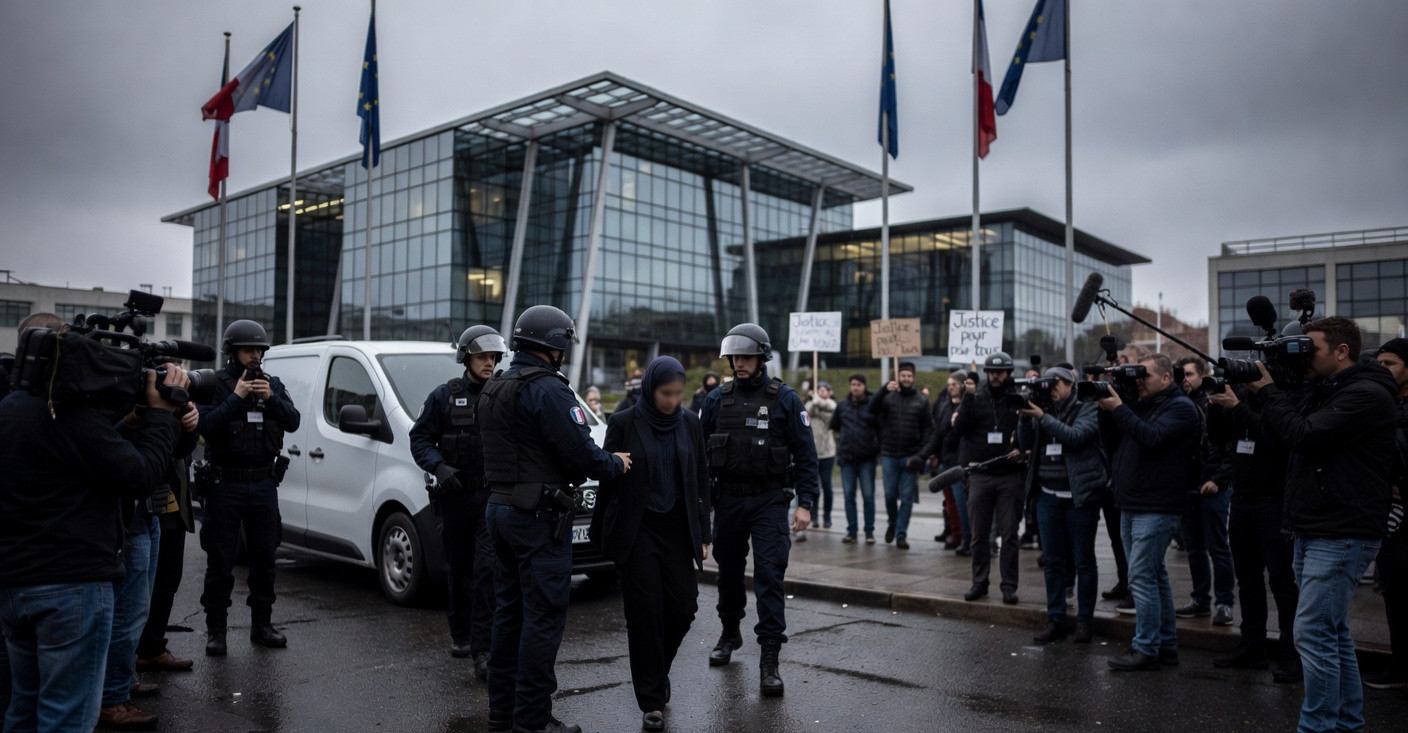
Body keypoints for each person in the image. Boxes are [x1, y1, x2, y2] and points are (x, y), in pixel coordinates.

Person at [0, 351, 184, 731]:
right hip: (70, 587)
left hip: (15, 583)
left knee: (24, 708)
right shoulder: (73, 418)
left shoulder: (9, 408)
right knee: (66, 715)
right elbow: (140, 475)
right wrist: (163, 417)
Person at [479, 305, 631, 733]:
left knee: (508, 615)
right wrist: (614, 463)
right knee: (542, 619)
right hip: (538, 517)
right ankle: (532, 720)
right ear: (556, 344)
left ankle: (501, 715)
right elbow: (582, 453)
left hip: (499, 510)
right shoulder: (549, 390)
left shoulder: (496, 385)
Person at [1247, 317, 1397, 730]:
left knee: (1312, 633)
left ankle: (1317, 726)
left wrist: (1271, 393)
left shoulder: (1367, 395)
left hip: (1342, 530)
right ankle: (1346, 723)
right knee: (1331, 632)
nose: (1304, 357)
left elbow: (1305, 435)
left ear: (1341, 350)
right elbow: (1282, 435)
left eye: (1309, 348)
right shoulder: (1327, 390)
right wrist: (1269, 389)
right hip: (1315, 525)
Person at [592, 356, 711, 732]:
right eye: (665, 393)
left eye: (678, 393)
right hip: (638, 528)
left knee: (683, 608)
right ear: (650, 388)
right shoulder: (625, 422)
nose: (672, 400)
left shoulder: (690, 423)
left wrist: (704, 533)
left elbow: (701, 480)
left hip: (677, 529)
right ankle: (652, 700)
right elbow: (607, 483)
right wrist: (600, 529)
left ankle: (656, 672)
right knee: (645, 612)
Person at [700, 323, 818, 697]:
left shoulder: (785, 399)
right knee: (729, 573)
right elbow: (699, 456)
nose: (739, 363)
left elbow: (806, 455)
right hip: (729, 500)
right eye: (735, 357)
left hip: (769, 499)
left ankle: (770, 659)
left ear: (762, 357)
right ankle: (730, 632)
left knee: (769, 574)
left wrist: (806, 505)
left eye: (746, 356)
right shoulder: (716, 399)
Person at [99, 369, 202, 729]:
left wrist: (186, 427)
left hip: (151, 509)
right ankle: (112, 698)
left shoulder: (155, 408)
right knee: (126, 613)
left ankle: (120, 682)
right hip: (129, 516)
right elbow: (115, 452)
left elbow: (168, 454)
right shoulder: (105, 403)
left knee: (138, 609)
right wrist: (130, 418)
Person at [196, 319, 302, 656]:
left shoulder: (273, 384)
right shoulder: (215, 384)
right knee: (221, 560)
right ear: (232, 352)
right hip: (225, 482)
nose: (255, 355)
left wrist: (271, 399)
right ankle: (217, 631)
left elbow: (293, 421)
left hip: (263, 482)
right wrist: (237, 398)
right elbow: (205, 426)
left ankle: (262, 625)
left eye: (259, 350)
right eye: (248, 350)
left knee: (265, 558)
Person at [409, 325, 508, 676]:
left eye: (494, 357)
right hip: (455, 495)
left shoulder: (502, 394)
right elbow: (419, 439)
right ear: (466, 357)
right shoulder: (444, 396)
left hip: (492, 496)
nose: (489, 362)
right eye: (483, 356)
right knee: (460, 567)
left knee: (487, 568)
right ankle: (461, 633)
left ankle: (484, 651)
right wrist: (439, 466)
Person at [1098, 353, 1204, 671]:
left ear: (1165, 378)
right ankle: (1166, 646)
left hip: (1158, 505)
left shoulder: (1181, 408)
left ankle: (1145, 647)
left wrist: (1119, 407)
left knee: (1141, 577)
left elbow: (1152, 437)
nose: (1139, 381)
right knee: (1155, 578)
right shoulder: (1143, 403)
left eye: (1144, 375)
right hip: (1133, 502)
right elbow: (1111, 441)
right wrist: (1107, 408)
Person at [1205, 381, 1301, 682]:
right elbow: (1220, 439)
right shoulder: (1242, 397)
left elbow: (1276, 438)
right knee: (1247, 579)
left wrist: (1238, 408)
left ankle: (1292, 653)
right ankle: (1252, 645)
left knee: (1283, 582)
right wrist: (1215, 407)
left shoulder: (1285, 396)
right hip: (1242, 499)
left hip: (1274, 502)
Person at [1016, 366, 1107, 644]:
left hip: (1080, 497)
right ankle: (1055, 620)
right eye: (1046, 383)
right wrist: (1023, 417)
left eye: (1055, 383)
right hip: (1047, 495)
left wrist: (1042, 417)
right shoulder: (1042, 409)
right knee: (1053, 561)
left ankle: (1084, 622)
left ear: (1071, 383)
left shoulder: (1088, 407)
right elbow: (1025, 444)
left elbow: (1075, 437)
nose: (1050, 388)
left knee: (1083, 561)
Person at [953, 352, 1024, 603]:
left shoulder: (1018, 397)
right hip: (980, 474)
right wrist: (968, 398)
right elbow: (959, 429)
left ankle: (1009, 586)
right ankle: (979, 582)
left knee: (1009, 534)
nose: (995, 376)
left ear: (1009, 373)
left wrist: (1022, 448)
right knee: (978, 534)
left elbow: (1028, 430)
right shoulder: (976, 396)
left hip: (1008, 475)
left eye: (1001, 372)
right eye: (992, 372)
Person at [1173, 356, 1236, 627]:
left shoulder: (1215, 402)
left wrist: (1218, 480)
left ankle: (1224, 602)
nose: (1184, 380)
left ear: (1202, 374)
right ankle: (1200, 599)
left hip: (1212, 487)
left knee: (1218, 547)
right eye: (1181, 375)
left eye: (1188, 374)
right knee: (1195, 548)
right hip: (1188, 487)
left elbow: (1229, 447)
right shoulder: (1179, 404)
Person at [1366, 337, 1408, 690]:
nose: (1383, 371)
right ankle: (1399, 667)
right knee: (1394, 595)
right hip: (1388, 516)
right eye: (1378, 364)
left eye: (1390, 364)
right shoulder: (1383, 404)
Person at [867, 361, 933, 550]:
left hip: (910, 456)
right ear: (898, 377)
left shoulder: (922, 400)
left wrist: (922, 454)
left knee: (906, 498)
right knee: (889, 495)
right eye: (903, 375)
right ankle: (892, 523)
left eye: (909, 376)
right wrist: (883, 390)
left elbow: (928, 428)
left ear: (914, 378)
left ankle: (901, 533)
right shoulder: (888, 397)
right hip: (889, 453)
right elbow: (871, 408)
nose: (906, 379)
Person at [921, 371, 970, 552]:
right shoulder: (945, 406)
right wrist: (926, 454)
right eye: (948, 385)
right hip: (945, 461)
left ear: (963, 386)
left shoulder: (968, 406)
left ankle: (967, 538)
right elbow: (938, 434)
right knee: (950, 502)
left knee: (962, 503)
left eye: (954, 385)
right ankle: (955, 533)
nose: (950, 388)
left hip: (960, 463)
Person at [830, 374, 880, 544]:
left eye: (859, 384)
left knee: (868, 496)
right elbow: (834, 426)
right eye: (853, 384)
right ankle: (851, 531)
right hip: (847, 459)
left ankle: (869, 532)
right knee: (849, 495)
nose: (856, 387)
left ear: (864, 386)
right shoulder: (842, 405)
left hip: (867, 458)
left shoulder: (872, 406)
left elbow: (880, 427)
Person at [805, 381, 837, 531]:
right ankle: (815, 515)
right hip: (813, 451)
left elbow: (831, 414)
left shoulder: (832, 404)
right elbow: (807, 412)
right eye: (819, 390)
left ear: (829, 392)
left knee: (827, 485)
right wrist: (814, 402)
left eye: (824, 390)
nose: (822, 392)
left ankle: (828, 516)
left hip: (827, 452)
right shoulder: (812, 403)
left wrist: (819, 401)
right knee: (814, 486)